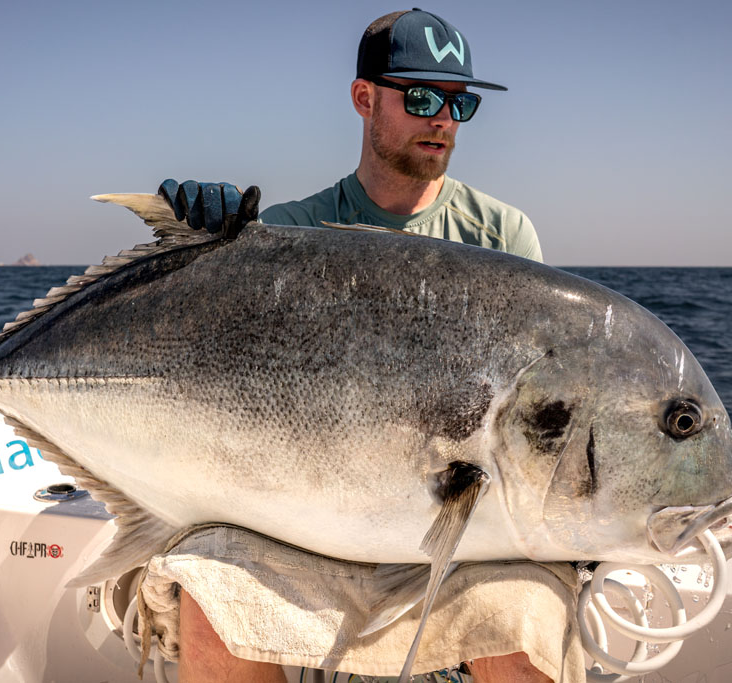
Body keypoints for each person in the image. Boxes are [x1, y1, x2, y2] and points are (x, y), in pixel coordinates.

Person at [158, 9, 557, 683]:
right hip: (310, 519)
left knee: (521, 620)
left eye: (460, 102)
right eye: (423, 97)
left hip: (460, 533)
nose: (443, 119)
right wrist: (197, 255)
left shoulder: (503, 237)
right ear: (364, 98)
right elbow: (201, 369)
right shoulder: (289, 233)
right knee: (209, 595)